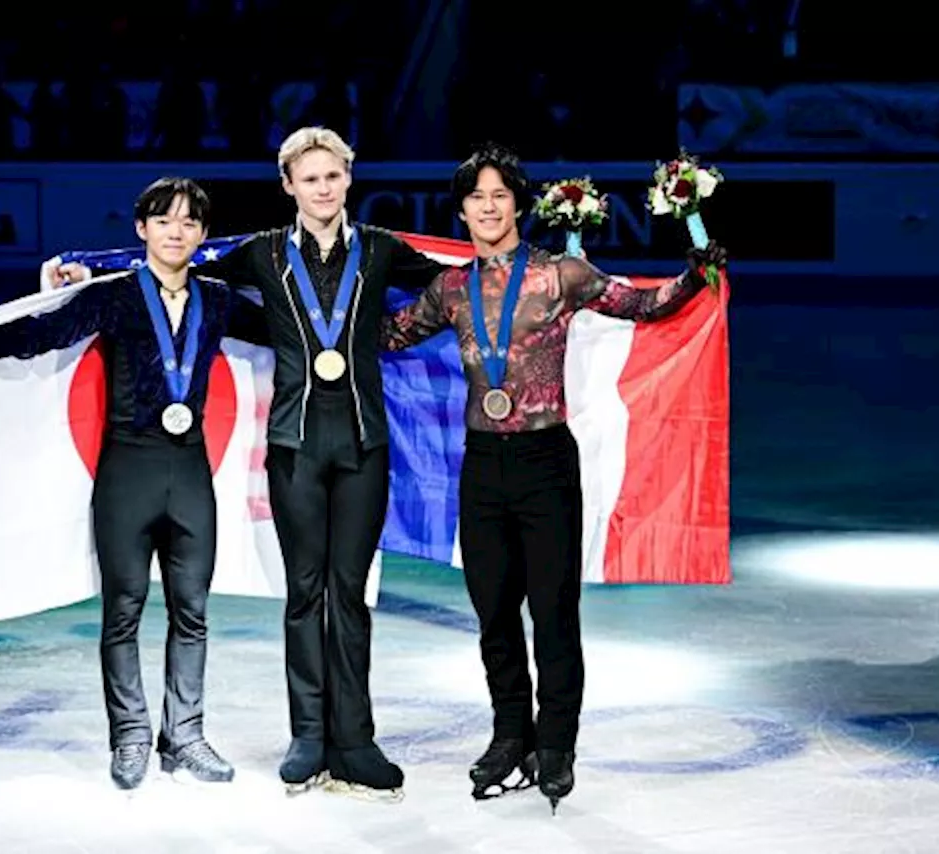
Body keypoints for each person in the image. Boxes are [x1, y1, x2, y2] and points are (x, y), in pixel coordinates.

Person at [46, 127, 444, 800]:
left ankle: (357, 740)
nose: (323, 188)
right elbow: (176, 268)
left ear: (349, 179)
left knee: (349, 596)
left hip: (363, 446)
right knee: (304, 595)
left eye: (333, 176)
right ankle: (308, 736)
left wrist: (549, 271)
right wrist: (87, 266)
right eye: (309, 178)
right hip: (292, 448)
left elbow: (459, 288)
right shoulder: (262, 256)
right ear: (288, 186)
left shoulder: (379, 250)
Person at [381, 144, 728, 813]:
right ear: (462, 210)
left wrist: (693, 276)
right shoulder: (450, 288)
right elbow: (391, 337)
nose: (488, 207)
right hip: (481, 466)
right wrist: (323, 308)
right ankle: (510, 735)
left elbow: (641, 305)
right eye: (476, 197)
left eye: (499, 195)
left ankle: (557, 745)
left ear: (517, 204)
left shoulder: (560, 274)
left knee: (553, 614)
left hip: (545, 463)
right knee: (493, 617)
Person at [0, 178, 268, 791]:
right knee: (122, 613)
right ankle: (129, 736)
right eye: (164, 220)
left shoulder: (221, 300)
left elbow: (292, 335)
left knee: (193, 613)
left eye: (189, 223)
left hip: (189, 475)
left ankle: (185, 736)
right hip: (127, 472)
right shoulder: (115, 297)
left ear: (203, 236)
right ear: (141, 230)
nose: (176, 231)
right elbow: (36, 334)